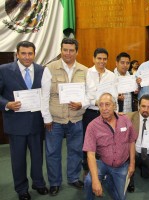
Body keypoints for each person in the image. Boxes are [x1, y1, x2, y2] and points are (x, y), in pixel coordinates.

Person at [0, 41, 48, 200]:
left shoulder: (42, 70)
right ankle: (21, 189)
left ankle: (38, 183)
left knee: (37, 157)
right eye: (24, 53)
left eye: (30, 54)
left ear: (34, 54)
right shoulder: (4, 70)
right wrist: (6, 104)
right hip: (16, 124)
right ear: (17, 54)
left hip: (36, 122)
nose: (27, 57)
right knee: (18, 159)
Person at [41, 38, 89, 196]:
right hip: (55, 120)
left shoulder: (84, 70)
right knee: (52, 152)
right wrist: (46, 118)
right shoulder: (49, 68)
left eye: (71, 50)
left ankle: (73, 177)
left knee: (75, 151)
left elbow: (90, 95)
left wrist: (82, 103)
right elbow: (44, 96)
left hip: (75, 119)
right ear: (61, 50)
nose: (68, 53)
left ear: (77, 52)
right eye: (65, 50)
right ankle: (54, 182)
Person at [83, 93, 137, 200]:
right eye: (101, 105)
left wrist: (132, 164)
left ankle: (107, 180)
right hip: (102, 162)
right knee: (89, 182)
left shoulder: (125, 120)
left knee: (120, 198)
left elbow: (131, 141)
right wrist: (95, 180)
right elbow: (90, 155)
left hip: (121, 165)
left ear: (115, 106)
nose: (104, 108)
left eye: (107, 104)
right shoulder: (92, 126)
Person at [83, 48, 117, 172]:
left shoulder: (112, 75)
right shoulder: (86, 73)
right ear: (94, 59)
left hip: (107, 114)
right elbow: (85, 94)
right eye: (99, 58)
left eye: (104, 59)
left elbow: (114, 96)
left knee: (105, 142)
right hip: (90, 112)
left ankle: (104, 168)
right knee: (89, 143)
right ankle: (88, 170)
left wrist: (115, 112)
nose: (102, 61)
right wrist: (94, 102)